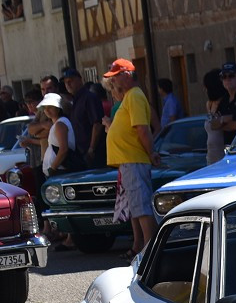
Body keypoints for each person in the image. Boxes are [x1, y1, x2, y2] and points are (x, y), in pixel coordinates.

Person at [104, 59, 162, 259]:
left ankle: (149, 252)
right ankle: (146, 249)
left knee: (142, 207)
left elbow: (142, 129)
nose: (115, 83)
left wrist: (151, 152)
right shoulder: (131, 96)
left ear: (127, 75)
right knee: (138, 207)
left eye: (116, 76)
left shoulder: (135, 95)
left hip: (134, 159)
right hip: (129, 160)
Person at [62, 67, 106, 167]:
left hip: (93, 153)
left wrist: (91, 148)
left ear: (80, 80)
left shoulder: (89, 98)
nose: (68, 84)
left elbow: (97, 124)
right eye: (66, 82)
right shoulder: (75, 100)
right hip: (81, 153)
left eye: (71, 81)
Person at [39, 92, 80, 177]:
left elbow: (64, 149)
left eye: (50, 107)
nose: (47, 110)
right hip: (59, 169)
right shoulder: (58, 123)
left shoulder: (60, 124)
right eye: (45, 107)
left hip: (61, 170)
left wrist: (53, 168)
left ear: (58, 108)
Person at [202, 69, 227, 165]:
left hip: (223, 154)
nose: (205, 90)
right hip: (211, 155)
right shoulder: (209, 104)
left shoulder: (225, 103)